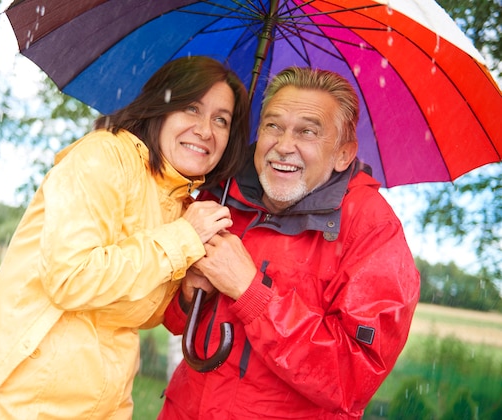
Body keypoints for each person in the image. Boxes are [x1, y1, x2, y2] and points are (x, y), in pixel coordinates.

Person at [0, 56, 250, 419]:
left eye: (222, 120)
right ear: (161, 108)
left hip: (100, 404)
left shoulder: (177, 199)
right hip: (21, 400)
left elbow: (135, 309)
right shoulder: (103, 157)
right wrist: (183, 237)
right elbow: (71, 278)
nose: (206, 130)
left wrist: (184, 291)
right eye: (191, 108)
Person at [158, 67, 420, 419]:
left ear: (344, 153)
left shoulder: (373, 229)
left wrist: (250, 292)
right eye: (273, 126)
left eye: (307, 132)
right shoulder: (219, 194)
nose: (283, 146)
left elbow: (352, 378)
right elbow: (173, 320)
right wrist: (189, 295)